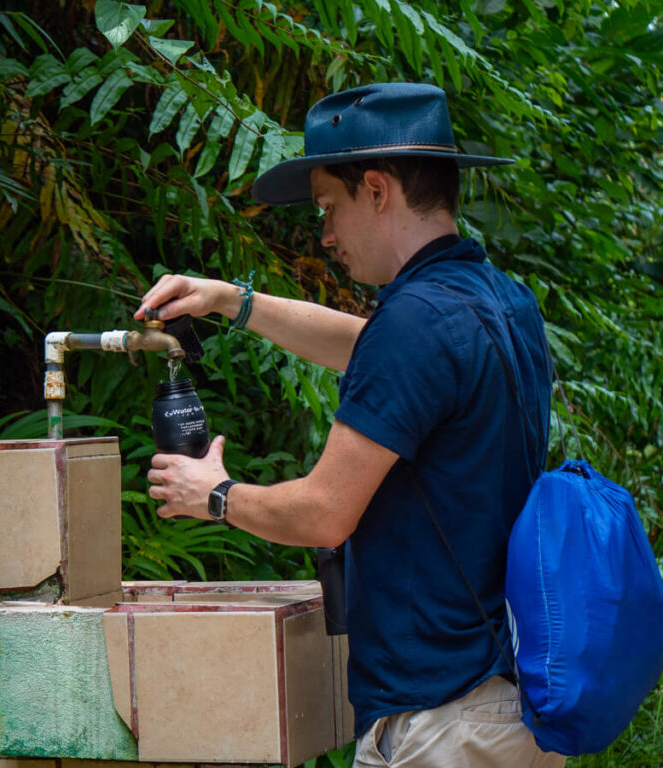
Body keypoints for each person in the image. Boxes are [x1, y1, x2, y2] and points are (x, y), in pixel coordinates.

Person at [135, 83, 562, 768]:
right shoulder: (500, 302)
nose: (326, 233)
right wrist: (232, 302)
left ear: (377, 189)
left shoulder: (416, 325)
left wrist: (213, 494)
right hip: (503, 705)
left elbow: (324, 513)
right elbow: (369, 348)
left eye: (330, 207)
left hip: (441, 721)